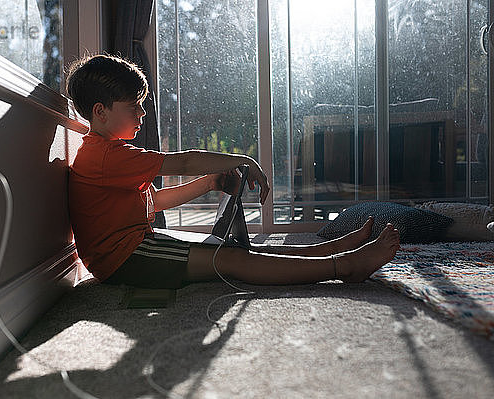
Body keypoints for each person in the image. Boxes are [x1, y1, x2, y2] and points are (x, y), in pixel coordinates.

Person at [66, 54, 400, 290]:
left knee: (238, 249)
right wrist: (241, 160)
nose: (142, 114)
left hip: (132, 248)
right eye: (133, 106)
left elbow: (154, 203)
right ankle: (343, 267)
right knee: (231, 260)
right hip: (124, 258)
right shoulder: (106, 155)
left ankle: (325, 251)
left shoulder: (107, 155)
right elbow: (182, 161)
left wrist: (210, 181)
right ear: (101, 112)